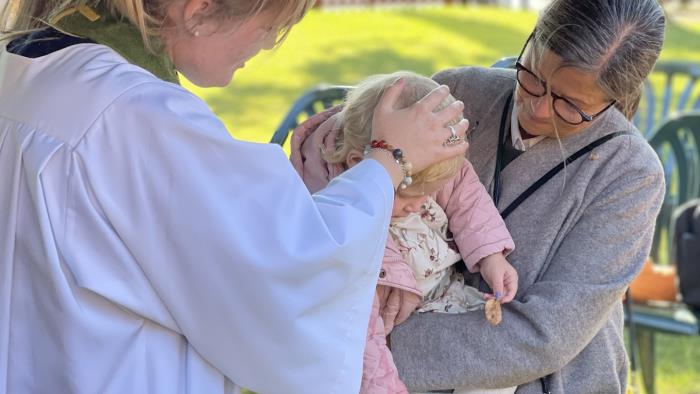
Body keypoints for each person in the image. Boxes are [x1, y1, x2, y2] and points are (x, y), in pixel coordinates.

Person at [0, 0, 469, 393]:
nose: (267, 45)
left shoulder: (31, 63)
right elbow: (289, 265)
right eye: (271, 26)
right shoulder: (137, 118)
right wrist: (389, 160)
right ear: (199, 11)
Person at [387, 0, 667, 393]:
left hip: (549, 381)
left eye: (569, 105)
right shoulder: (457, 94)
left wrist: (372, 350)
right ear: (531, 40)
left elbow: (546, 334)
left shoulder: (630, 174)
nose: (536, 109)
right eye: (533, 77)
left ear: (612, 101)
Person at [291, 71, 517, 394]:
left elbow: (462, 189)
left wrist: (491, 255)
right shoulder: (344, 230)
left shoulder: (414, 163)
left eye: (430, 193)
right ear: (362, 166)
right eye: (411, 195)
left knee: (501, 363)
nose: (419, 206)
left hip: (444, 300)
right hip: (387, 340)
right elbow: (362, 339)